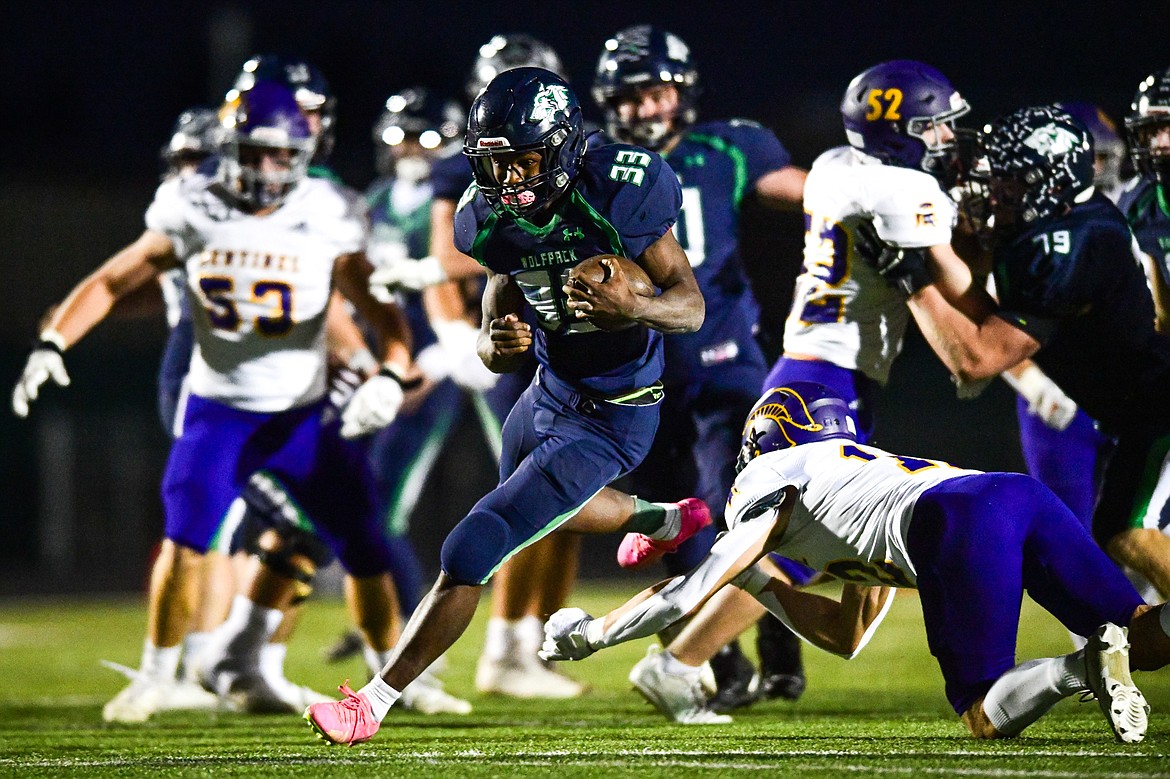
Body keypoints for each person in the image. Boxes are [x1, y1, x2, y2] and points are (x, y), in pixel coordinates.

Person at [305, 66, 708, 745]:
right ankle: (662, 517)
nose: (511, 180)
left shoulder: (619, 188)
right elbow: (500, 294)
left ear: (561, 146)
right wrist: (498, 338)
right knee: (543, 514)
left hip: (617, 409)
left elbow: (690, 307)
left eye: (523, 160)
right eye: (495, 164)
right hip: (547, 388)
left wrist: (634, 304)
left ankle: (371, 702)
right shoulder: (485, 211)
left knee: (475, 542)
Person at [12, 80, 414, 722]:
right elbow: (116, 280)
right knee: (187, 538)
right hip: (218, 409)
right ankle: (156, 675)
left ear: (304, 154)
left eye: (281, 155)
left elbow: (379, 315)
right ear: (229, 149)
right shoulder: (192, 205)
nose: (265, 168)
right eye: (254, 152)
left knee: (363, 543)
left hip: (302, 415)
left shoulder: (329, 211)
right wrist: (55, 339)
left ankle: (394, 680)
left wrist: (390, 376)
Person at [542, 382, 1166, 743]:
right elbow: (844, 638)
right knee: (1147, 634)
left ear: (765, 438)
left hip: (956, 522)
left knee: (984, 713)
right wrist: (759, 580)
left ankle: (1082, 665)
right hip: (1013, 493)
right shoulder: (854, 481)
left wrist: (589, 635)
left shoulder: (772, 477)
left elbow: (685, 596)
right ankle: (1110, 646)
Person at [861, 104, 1170, 601]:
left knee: (1132, 534)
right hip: (1137, 415)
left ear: (1050, 181)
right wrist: (932, 246)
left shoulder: (1074, 242)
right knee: (1114, 535)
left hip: (1159, 409)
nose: (996, 191)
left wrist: (912, 280)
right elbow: (984, 305)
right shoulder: (1057, 227)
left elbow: (977, 358)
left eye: (1011, 181)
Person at [591, 24, 808, 710]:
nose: (649, 108)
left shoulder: (726, 147)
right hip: (639, 374)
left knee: (731, 500)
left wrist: (871, 192)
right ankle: (730, 656)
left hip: (723, 360)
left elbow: (806, 191)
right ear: (609, 101)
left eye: (660, 92)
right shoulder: (592, 165)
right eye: (633, 96)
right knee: (672, 520)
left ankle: (770, 633)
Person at [372, 35, 590, 700]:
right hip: (506, 341)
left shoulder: (574, 158)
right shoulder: (457, 170)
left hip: (563, 335)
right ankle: (505, 643)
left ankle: (531, 640)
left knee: (570, 500)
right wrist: (453, 336)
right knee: (534, 496)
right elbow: (447, 258)